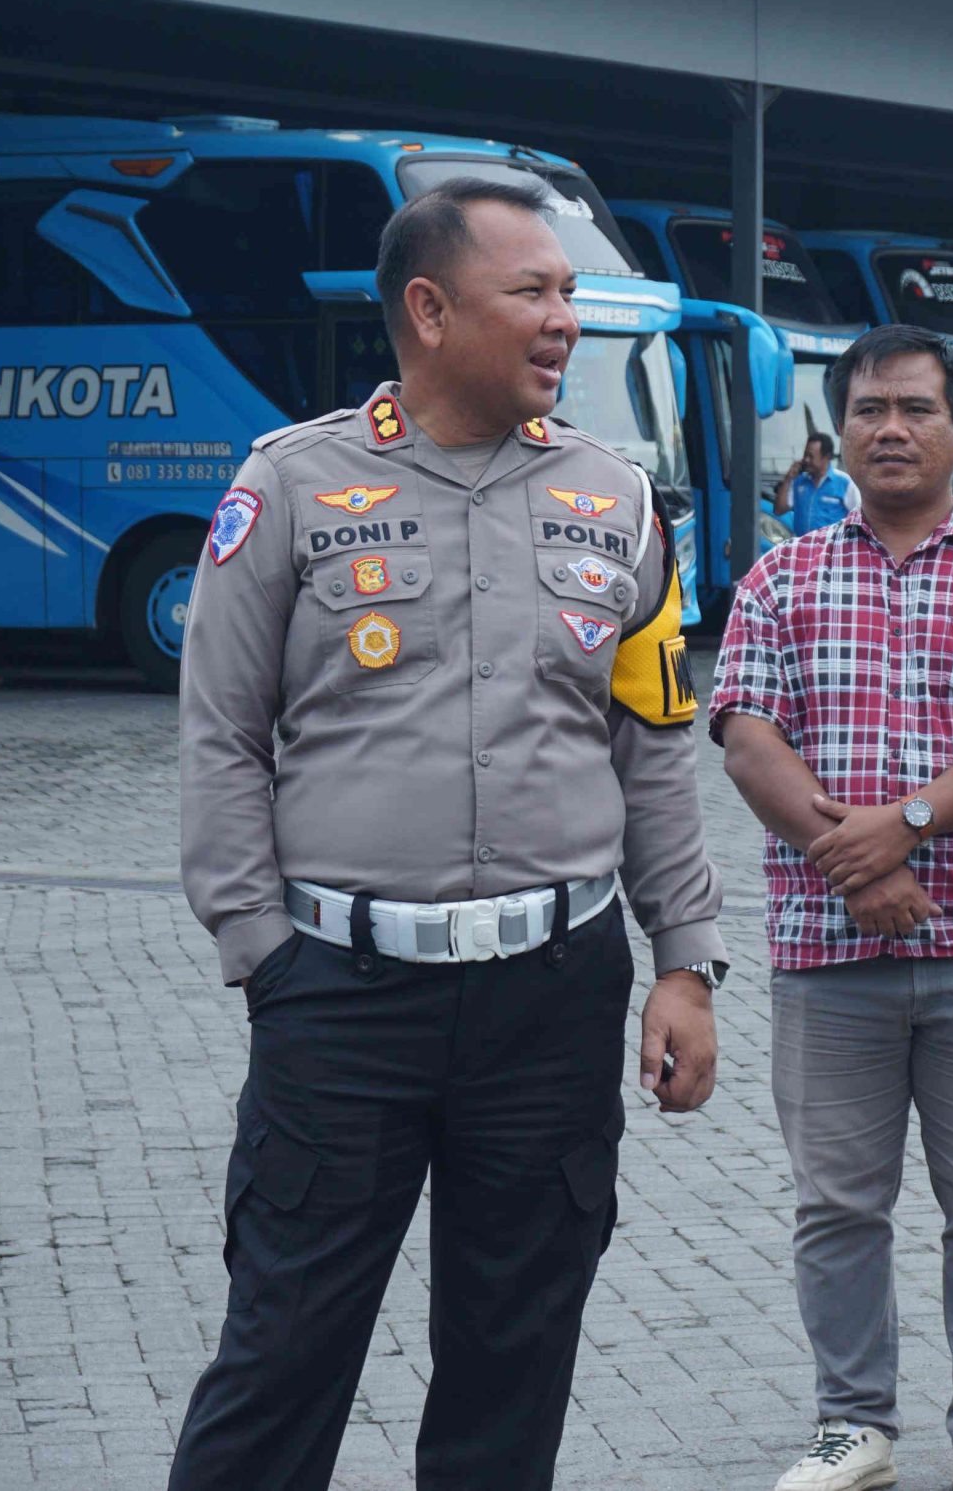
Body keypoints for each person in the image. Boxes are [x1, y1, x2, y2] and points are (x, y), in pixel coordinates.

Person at [169, 176, 727, 1491]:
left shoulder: (621, 500)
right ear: (426, 309)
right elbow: (219, 737)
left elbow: (651, 741)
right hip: (342, 1000)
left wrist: (687, 960)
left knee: (512, 1363)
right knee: (283, 1354)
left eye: (569, 294)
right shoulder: (292, 484)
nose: (562, 320)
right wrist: (266, 955)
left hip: (552, 995)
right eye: (530, 291)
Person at [709, 323, 953, 1491]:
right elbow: (742, 735)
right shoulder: (781, 576)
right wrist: (860, 865)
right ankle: (853, 1426)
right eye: (869, 408)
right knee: (836, 1205)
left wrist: (906, 826)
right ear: (841, 426)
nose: (891, 428)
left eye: (916, 408)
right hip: (827, 958)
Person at [775, 430, 859, 534]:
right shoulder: (798, 481)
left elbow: (861, 518)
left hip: (832, 549)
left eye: (811, 456)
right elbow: (779, 510)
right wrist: (788, 479)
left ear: (826, 457)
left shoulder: (845, 483)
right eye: (805, 455)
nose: (806, 460)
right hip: (802, 547)